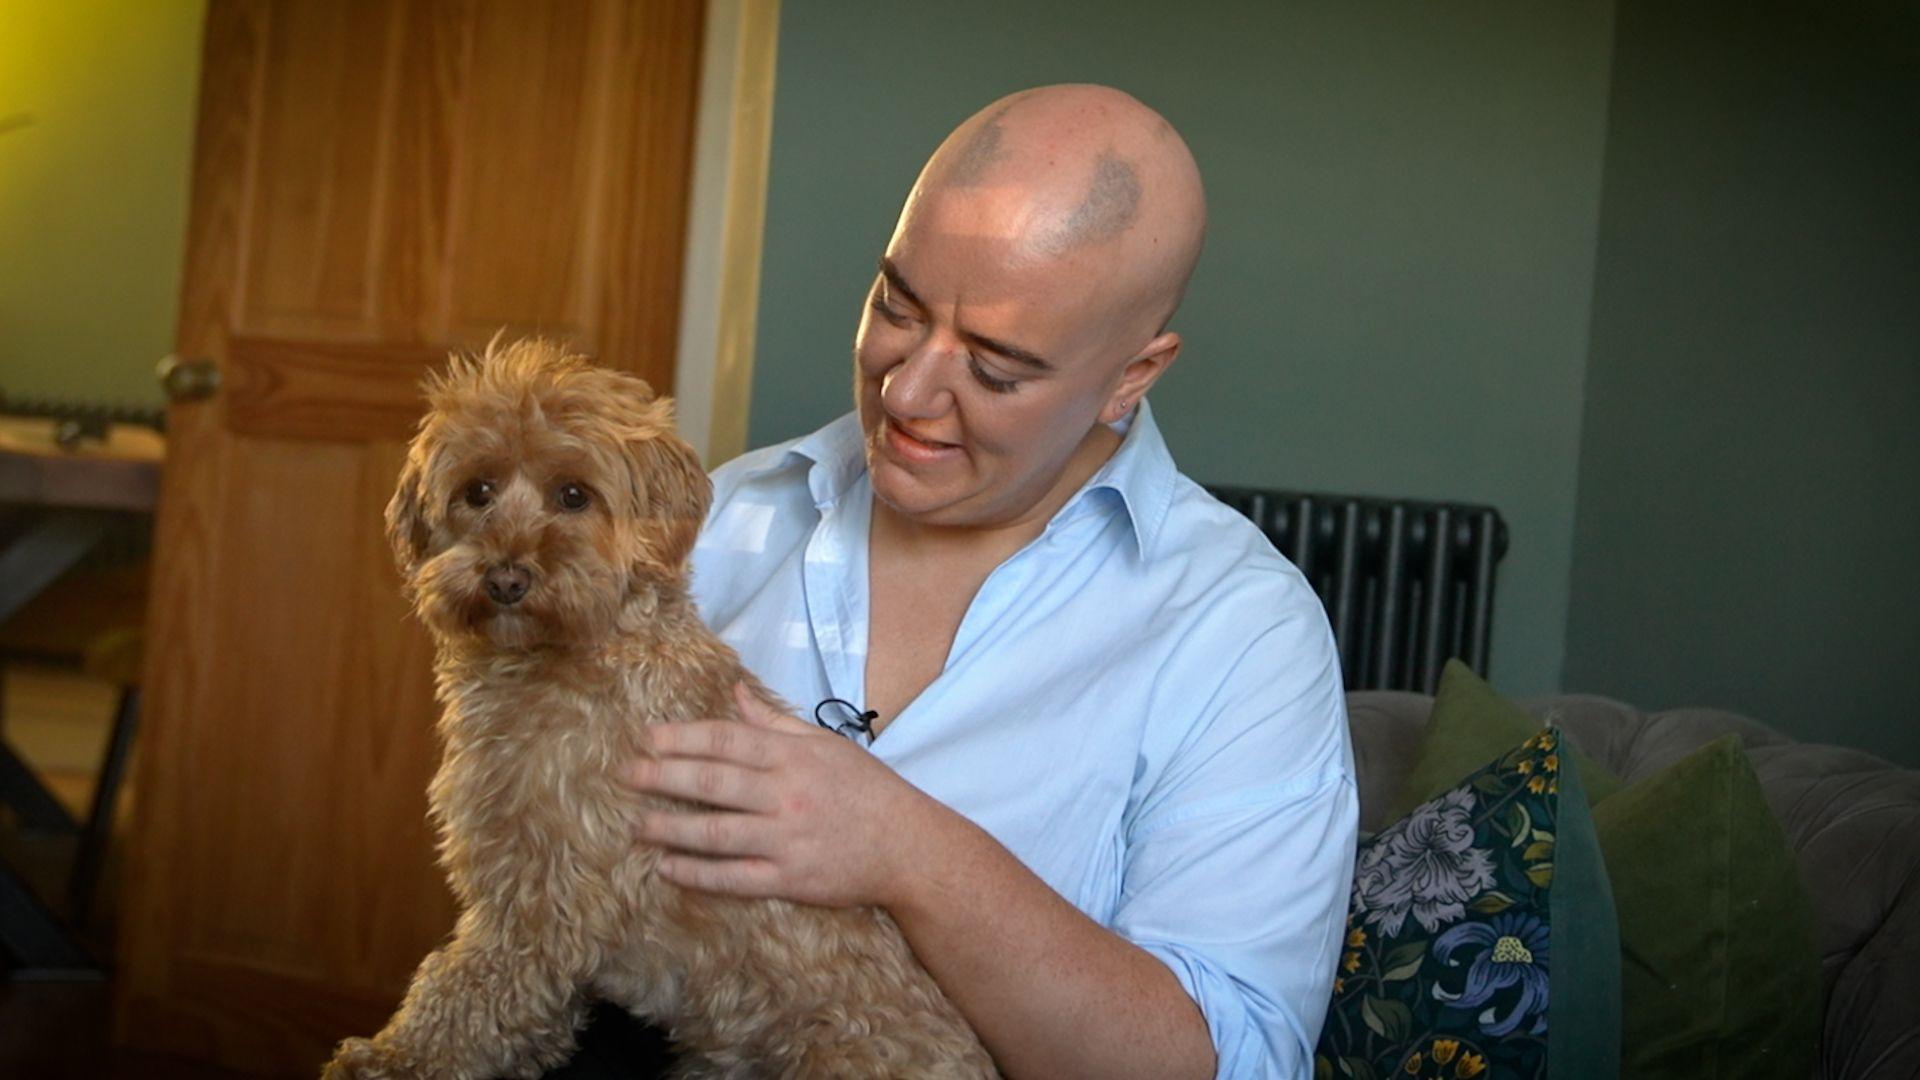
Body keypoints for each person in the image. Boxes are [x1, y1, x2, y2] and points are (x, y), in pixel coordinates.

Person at [612, 84, 1356, 1079]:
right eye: (895, 307)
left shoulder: (1243, 635)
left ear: (1132, 376)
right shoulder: (723, 520)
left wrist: (909, 852)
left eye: (997, 371)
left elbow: (1233, 1062)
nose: (907, 393)